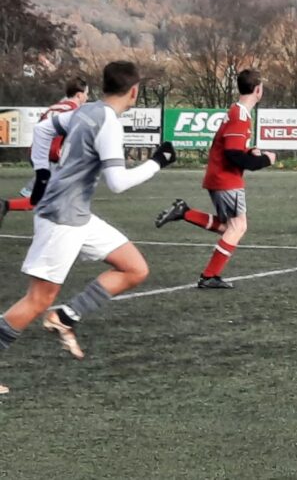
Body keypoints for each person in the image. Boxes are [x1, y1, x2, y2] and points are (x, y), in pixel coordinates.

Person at [0, 61, 176, 394]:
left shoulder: (86, 110)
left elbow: (42, 130)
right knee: (37, 299)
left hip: (76, 214)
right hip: (61, 218)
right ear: (135, 91)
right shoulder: (107, 122)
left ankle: (65, 316)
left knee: (134, 268)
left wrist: (42, 172)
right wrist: (157, 163)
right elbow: (118, 183)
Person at [153, 69, 275, 289]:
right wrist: (266, 160)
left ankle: (184, 212)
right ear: (258, 90)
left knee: (230, 227)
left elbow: (234, 149)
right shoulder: (240, 115)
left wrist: (252, 151)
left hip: (221, 176)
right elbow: (233, 154)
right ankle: (209, 276)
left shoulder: (239, 112)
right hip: (226, 178)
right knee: (237, 227)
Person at [0, 77, 89, 229]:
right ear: (79, 95)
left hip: (39, 155)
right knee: (60, 200)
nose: (87, 98)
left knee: (41, 199)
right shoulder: (73, 112)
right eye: (87, 94)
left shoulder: (53, 108)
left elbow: (42, 130)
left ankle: (7, 205)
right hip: (52, 158)